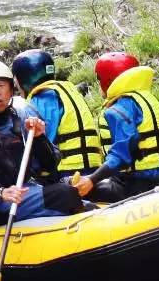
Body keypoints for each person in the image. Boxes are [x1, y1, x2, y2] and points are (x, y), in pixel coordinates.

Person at [0, 59, 90, 227]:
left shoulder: (23, 116)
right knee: (64, 195)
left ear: (11, 90)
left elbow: (50, 165)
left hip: (25, 189)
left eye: (2, 86)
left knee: (80, 198)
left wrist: (39, 138)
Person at [84, 51, 159, 201]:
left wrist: (91, 179)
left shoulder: (121, 107)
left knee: (71, 191)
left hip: (135, 183)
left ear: (107, 81)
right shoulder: (143, 98)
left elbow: (121, 154)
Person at [14, 47, 103, 184]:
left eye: (16, 83)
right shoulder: (68, 90)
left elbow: (44, 144)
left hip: (67, 172)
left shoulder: (43, 98)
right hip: (94, 168)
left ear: (23, 79)